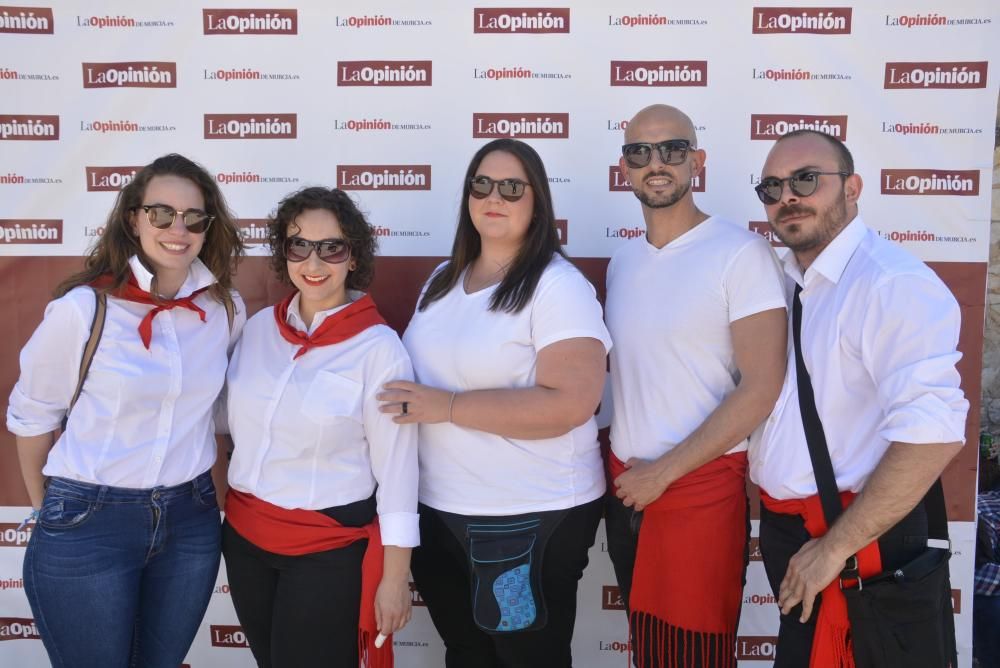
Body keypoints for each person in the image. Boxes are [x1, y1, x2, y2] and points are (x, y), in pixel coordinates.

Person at [377, 138, 611, 668]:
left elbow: (570, 403)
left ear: (538, 202)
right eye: (481, 184)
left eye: (511, 187)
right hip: (439, 512)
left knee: (526, 659)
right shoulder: (443, 279)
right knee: (467, 654)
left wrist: (448, 406)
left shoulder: (557, 286)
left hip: (526, 518)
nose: (494, 197)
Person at [6, 153, 245, 667]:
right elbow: (32, 416)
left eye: (193, 217)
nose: (177, 229)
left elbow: (226, 408)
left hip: (190, 519)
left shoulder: (224, 309)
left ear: (208, 227)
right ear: (134, 218)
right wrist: (49, 510)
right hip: (89, 521)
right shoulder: (84, 310)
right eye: (161, 214)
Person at [750, 129, 968, 667]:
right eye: (772, 187)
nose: (787, 197)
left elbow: (932, 436)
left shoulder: (890, 284)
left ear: (853, 188)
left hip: (858, 543)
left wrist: (833, 548)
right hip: (796, 536)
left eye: (805, 179)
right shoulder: (784, 279)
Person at [604, 104, 788, 667]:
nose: (655, 163)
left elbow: (762, 387)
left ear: (696, 161)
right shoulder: (623, 261)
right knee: (648, 650)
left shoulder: (741, 253)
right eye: (640, 152)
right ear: (625, 167)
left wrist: (665, 473)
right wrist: (642, 478)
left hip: (698, 493)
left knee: (693, 653)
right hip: (629, 487)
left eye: (672, 149)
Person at [222, 186, 417, 668]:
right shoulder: (259, 328)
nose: (314, 261)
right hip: (245, 540)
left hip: (326, 551)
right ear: (283, 253)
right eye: (298, 245)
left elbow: (397, 474)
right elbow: (219, 422)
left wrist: (395, 579)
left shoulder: (380, 350)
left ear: (353, 257)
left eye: (332, 247)